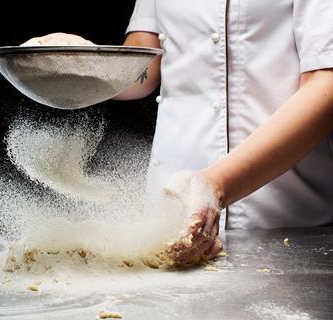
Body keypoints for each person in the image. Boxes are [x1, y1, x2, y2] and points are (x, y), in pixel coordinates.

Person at [22, 0, 333, 264]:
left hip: (283, 221)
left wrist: (215, 183)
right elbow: (144, 66)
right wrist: (87, 62)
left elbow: (326, 84)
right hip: (170, 213)